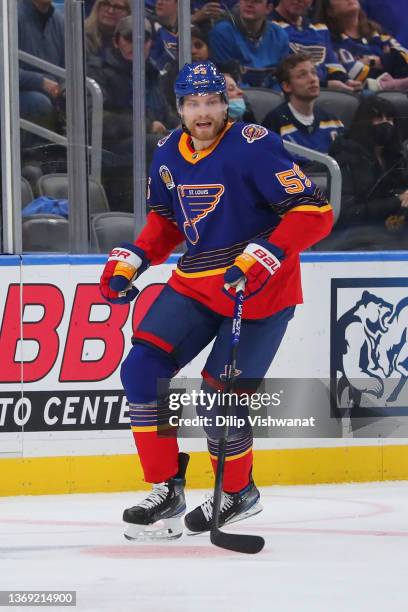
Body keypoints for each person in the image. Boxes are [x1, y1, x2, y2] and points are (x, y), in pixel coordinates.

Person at [99, 61, 333, 540]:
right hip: (196, 282)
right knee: (142, 370)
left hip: (260, 290)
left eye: (211, 102)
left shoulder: (253, 147)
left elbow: (316, 211)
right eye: (193, 103)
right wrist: (136, 256)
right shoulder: (167, 152)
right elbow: (166, 221)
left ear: (225, 104)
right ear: (180, 107)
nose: (202, 113)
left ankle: (237, 492)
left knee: (219, 397)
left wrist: (267, 252)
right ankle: (167, 487)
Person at [326, 96, 408, 249]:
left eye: (390, 118)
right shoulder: (345, 152)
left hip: (390, 230)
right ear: (363, 121)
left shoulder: (396, 155)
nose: (386, 123)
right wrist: (397, 201)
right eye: (378, 118)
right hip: (355, 235)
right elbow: (347, 213)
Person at [315, 0, 408, 92]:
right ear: (330, 11)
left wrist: (375, 61)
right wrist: (391, 62)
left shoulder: (376, 33)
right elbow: (355, 76)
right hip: (363, 96)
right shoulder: (330, 42)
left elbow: (405, 58)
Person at [263, 53, 344, 156]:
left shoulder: (333, 122)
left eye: (314, 73)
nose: (312, 79)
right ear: (287, 86)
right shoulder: (275, 121)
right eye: (302, 75)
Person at [271, 0, 361, 92]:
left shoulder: (320, 28)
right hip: (292, 94)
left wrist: (346, 81)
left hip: (326, 92)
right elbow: (279, 75)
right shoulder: (269, 27)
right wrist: (325, 85)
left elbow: (333, 65)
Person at [209, 0, 290, 89]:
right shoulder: (222, 32)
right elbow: (225, 77)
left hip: (274, 96)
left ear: (268, 8)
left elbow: (282, 77)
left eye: (257, 1)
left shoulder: (279, 35)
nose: (249, 4)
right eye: (245, 0)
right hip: (236, 95)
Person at [18, 0, 65, 134]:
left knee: (80, 100)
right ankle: (33, 154)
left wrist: (64, 87)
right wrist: (40, 81)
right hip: (16, 92)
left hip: (53, 93)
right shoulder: (10, 16)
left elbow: (66, 66)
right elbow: (4, 71)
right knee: (39, 103)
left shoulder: (59, 19)